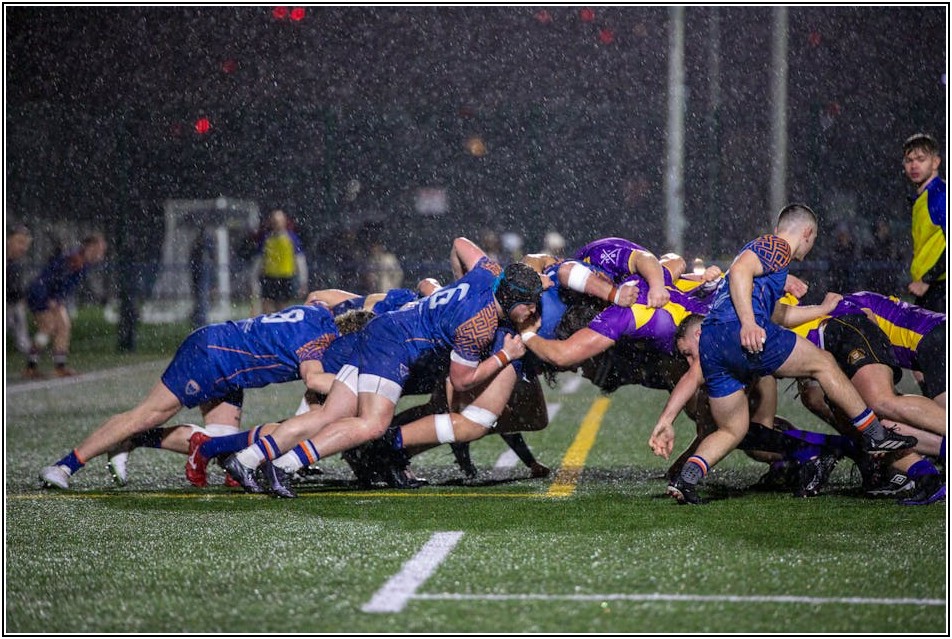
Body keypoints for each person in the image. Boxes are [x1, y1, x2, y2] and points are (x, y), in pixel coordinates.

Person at [219, 237, 541, 495]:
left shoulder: (488, 271)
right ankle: (283, 466)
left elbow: (460, 243)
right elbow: (462, 381)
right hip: (396, 345)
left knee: (329, 415)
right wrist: (505, 356)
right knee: (372, 425)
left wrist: (456, 289)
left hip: (383, 329)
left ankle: (247, 459)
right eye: (529, 306)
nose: (532, 313)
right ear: (512, 302)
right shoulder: (479, 325)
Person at [657, 203, 916, 505]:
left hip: (713, 342)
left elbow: (777, 313)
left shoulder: (764, 263)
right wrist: (749, 323)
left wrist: (820, 309)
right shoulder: (777, 245)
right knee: (823, 363)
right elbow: (740, 271)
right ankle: (874, 434)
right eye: (813, 240)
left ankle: (687, 479)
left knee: (733, 428)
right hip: (737, 331)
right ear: (806, 232)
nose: (810, 247)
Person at [38, 302, 343, 489]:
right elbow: (315, 378)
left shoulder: (320, 312)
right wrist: (350, 389)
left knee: (219, 446)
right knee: (146, 415)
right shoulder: (320, 342)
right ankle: (64, 465)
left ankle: (134, 441)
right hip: (211, 357)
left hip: (228, 360)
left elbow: (325, 296)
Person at [25, 232, 108, 378]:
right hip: (41, 294)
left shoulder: (83, 260)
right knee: (48, 327)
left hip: (52, 295)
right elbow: (55, 277)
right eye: (100, 249)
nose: (101, 253)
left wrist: (58, 298)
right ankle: (30, 366)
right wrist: (52, 298)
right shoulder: (75, 259)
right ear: (91, 247)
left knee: (63, 326)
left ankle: (59, 367)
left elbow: (63, 281)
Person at [901, 133, 946, 313]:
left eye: (920, 159)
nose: (914, 165)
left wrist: (928, 279)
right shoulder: (923, 198)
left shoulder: (939, 195)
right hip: (932, 288)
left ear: (935, 162)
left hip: (940, 288)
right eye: (909, 160)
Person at [251, 209, 309, 314]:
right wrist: (254, 277)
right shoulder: (266, 239)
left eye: (278, 221)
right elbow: (259, 259)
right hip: (269, 277)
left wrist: (303, 280)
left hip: (285, 277)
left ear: (284, 221)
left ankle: (280, 328)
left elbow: (300, 260)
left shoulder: (292, 238)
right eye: (274, 221)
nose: (276, 223)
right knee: (267, 307)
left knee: (283, 308)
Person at [7, 224, 33, 360]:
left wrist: (21, 298)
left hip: (11, 303)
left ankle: (31, 362)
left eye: (26, 244)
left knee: (22, 337)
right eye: (20, 242)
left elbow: (14, 285)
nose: (23, 247)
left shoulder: (17, 262)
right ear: (8, 240)